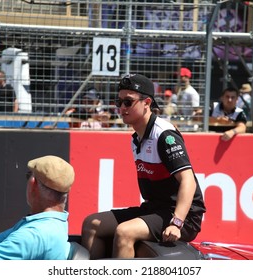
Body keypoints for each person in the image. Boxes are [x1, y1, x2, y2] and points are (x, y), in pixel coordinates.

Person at [81, 73, 206, 259]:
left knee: (125, 232)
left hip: (182, 216)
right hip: (154, 209)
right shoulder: (136, 138)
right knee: (92, 223)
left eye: (128, 102)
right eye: (119, 102)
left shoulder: (165, 135)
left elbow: (188, 181)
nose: (121, 107)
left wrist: (177, 223)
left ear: (147, 102)